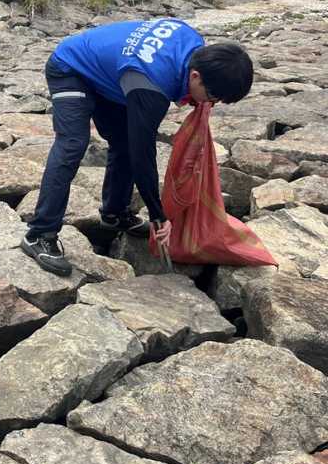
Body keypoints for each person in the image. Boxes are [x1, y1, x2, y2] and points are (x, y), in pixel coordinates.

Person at [21, 18, 253, 277]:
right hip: (71, 68)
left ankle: (115, 214)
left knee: (123, 142)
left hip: (114, 74)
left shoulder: (194, 44)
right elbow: (142, 154)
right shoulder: (153, 84)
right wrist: (158, 215)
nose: (212, 103)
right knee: (73, 144)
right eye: (212, 97)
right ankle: (39, 234)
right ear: (196, 76)